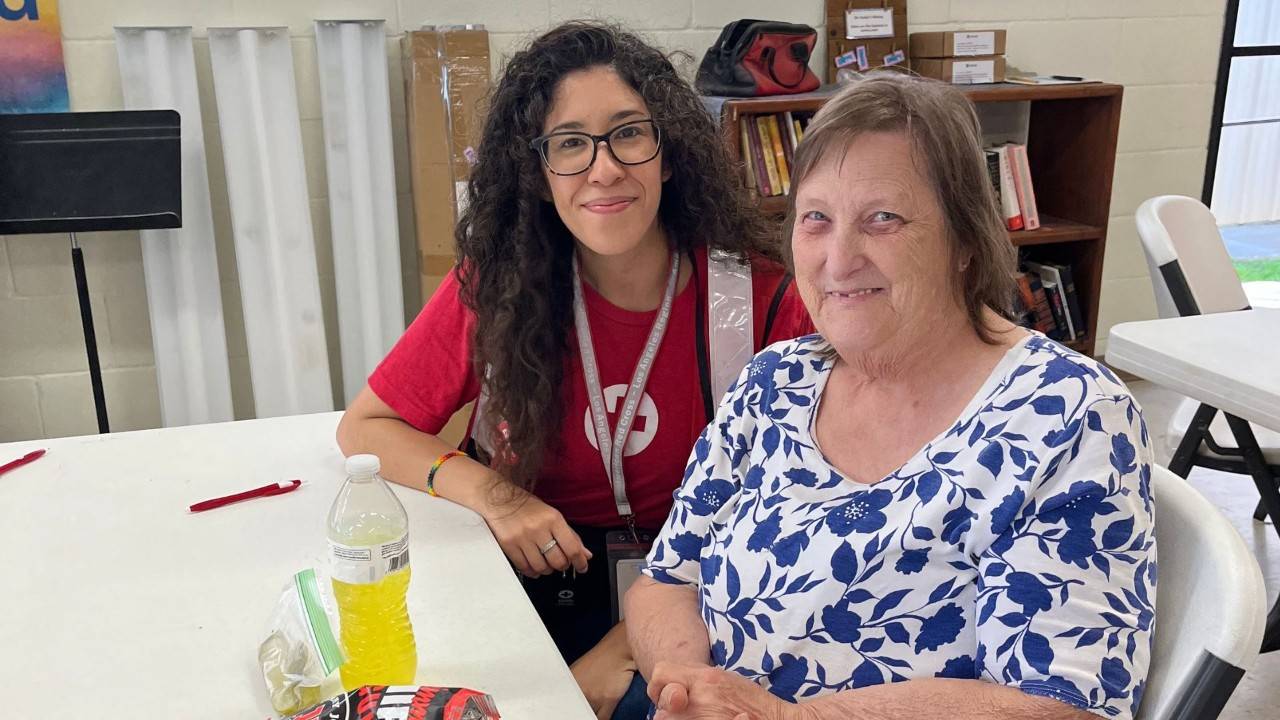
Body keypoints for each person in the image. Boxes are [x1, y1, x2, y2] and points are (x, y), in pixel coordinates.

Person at [626, 72, 1156, 720]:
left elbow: (1059, 706)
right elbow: (664, 581)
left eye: (883, 219)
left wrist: (785, 718)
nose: (838, 258)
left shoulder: (1070, 417)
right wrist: (684, 684)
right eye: (816, 218)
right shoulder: (775, 383)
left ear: (964, 240)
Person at [335, 22, 813, 720]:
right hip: (539, 578)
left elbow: (793, 515)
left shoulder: (762, 296)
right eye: (569, 144)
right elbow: (367, 427)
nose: (603, 168)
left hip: (707, 588)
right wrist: (496, 497)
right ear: (537, 171)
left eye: (627, 133)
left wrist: (622, 647)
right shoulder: (497, 287)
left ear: (669, 153)